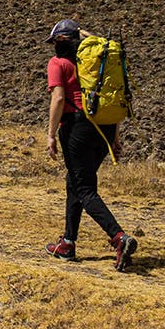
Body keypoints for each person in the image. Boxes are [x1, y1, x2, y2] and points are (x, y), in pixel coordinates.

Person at [44, 19, 137, 269]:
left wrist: (51, 135)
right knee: (75, 182)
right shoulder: (94, 64)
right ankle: (68, 243)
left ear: (60, 43)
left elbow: (59, 99)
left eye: (54, 42)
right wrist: (115, 137)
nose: (52, 47)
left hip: (77, 128)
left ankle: (119, 237)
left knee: (84, 188)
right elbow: (109, 98)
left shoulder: (58, 63)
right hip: (104, 127)